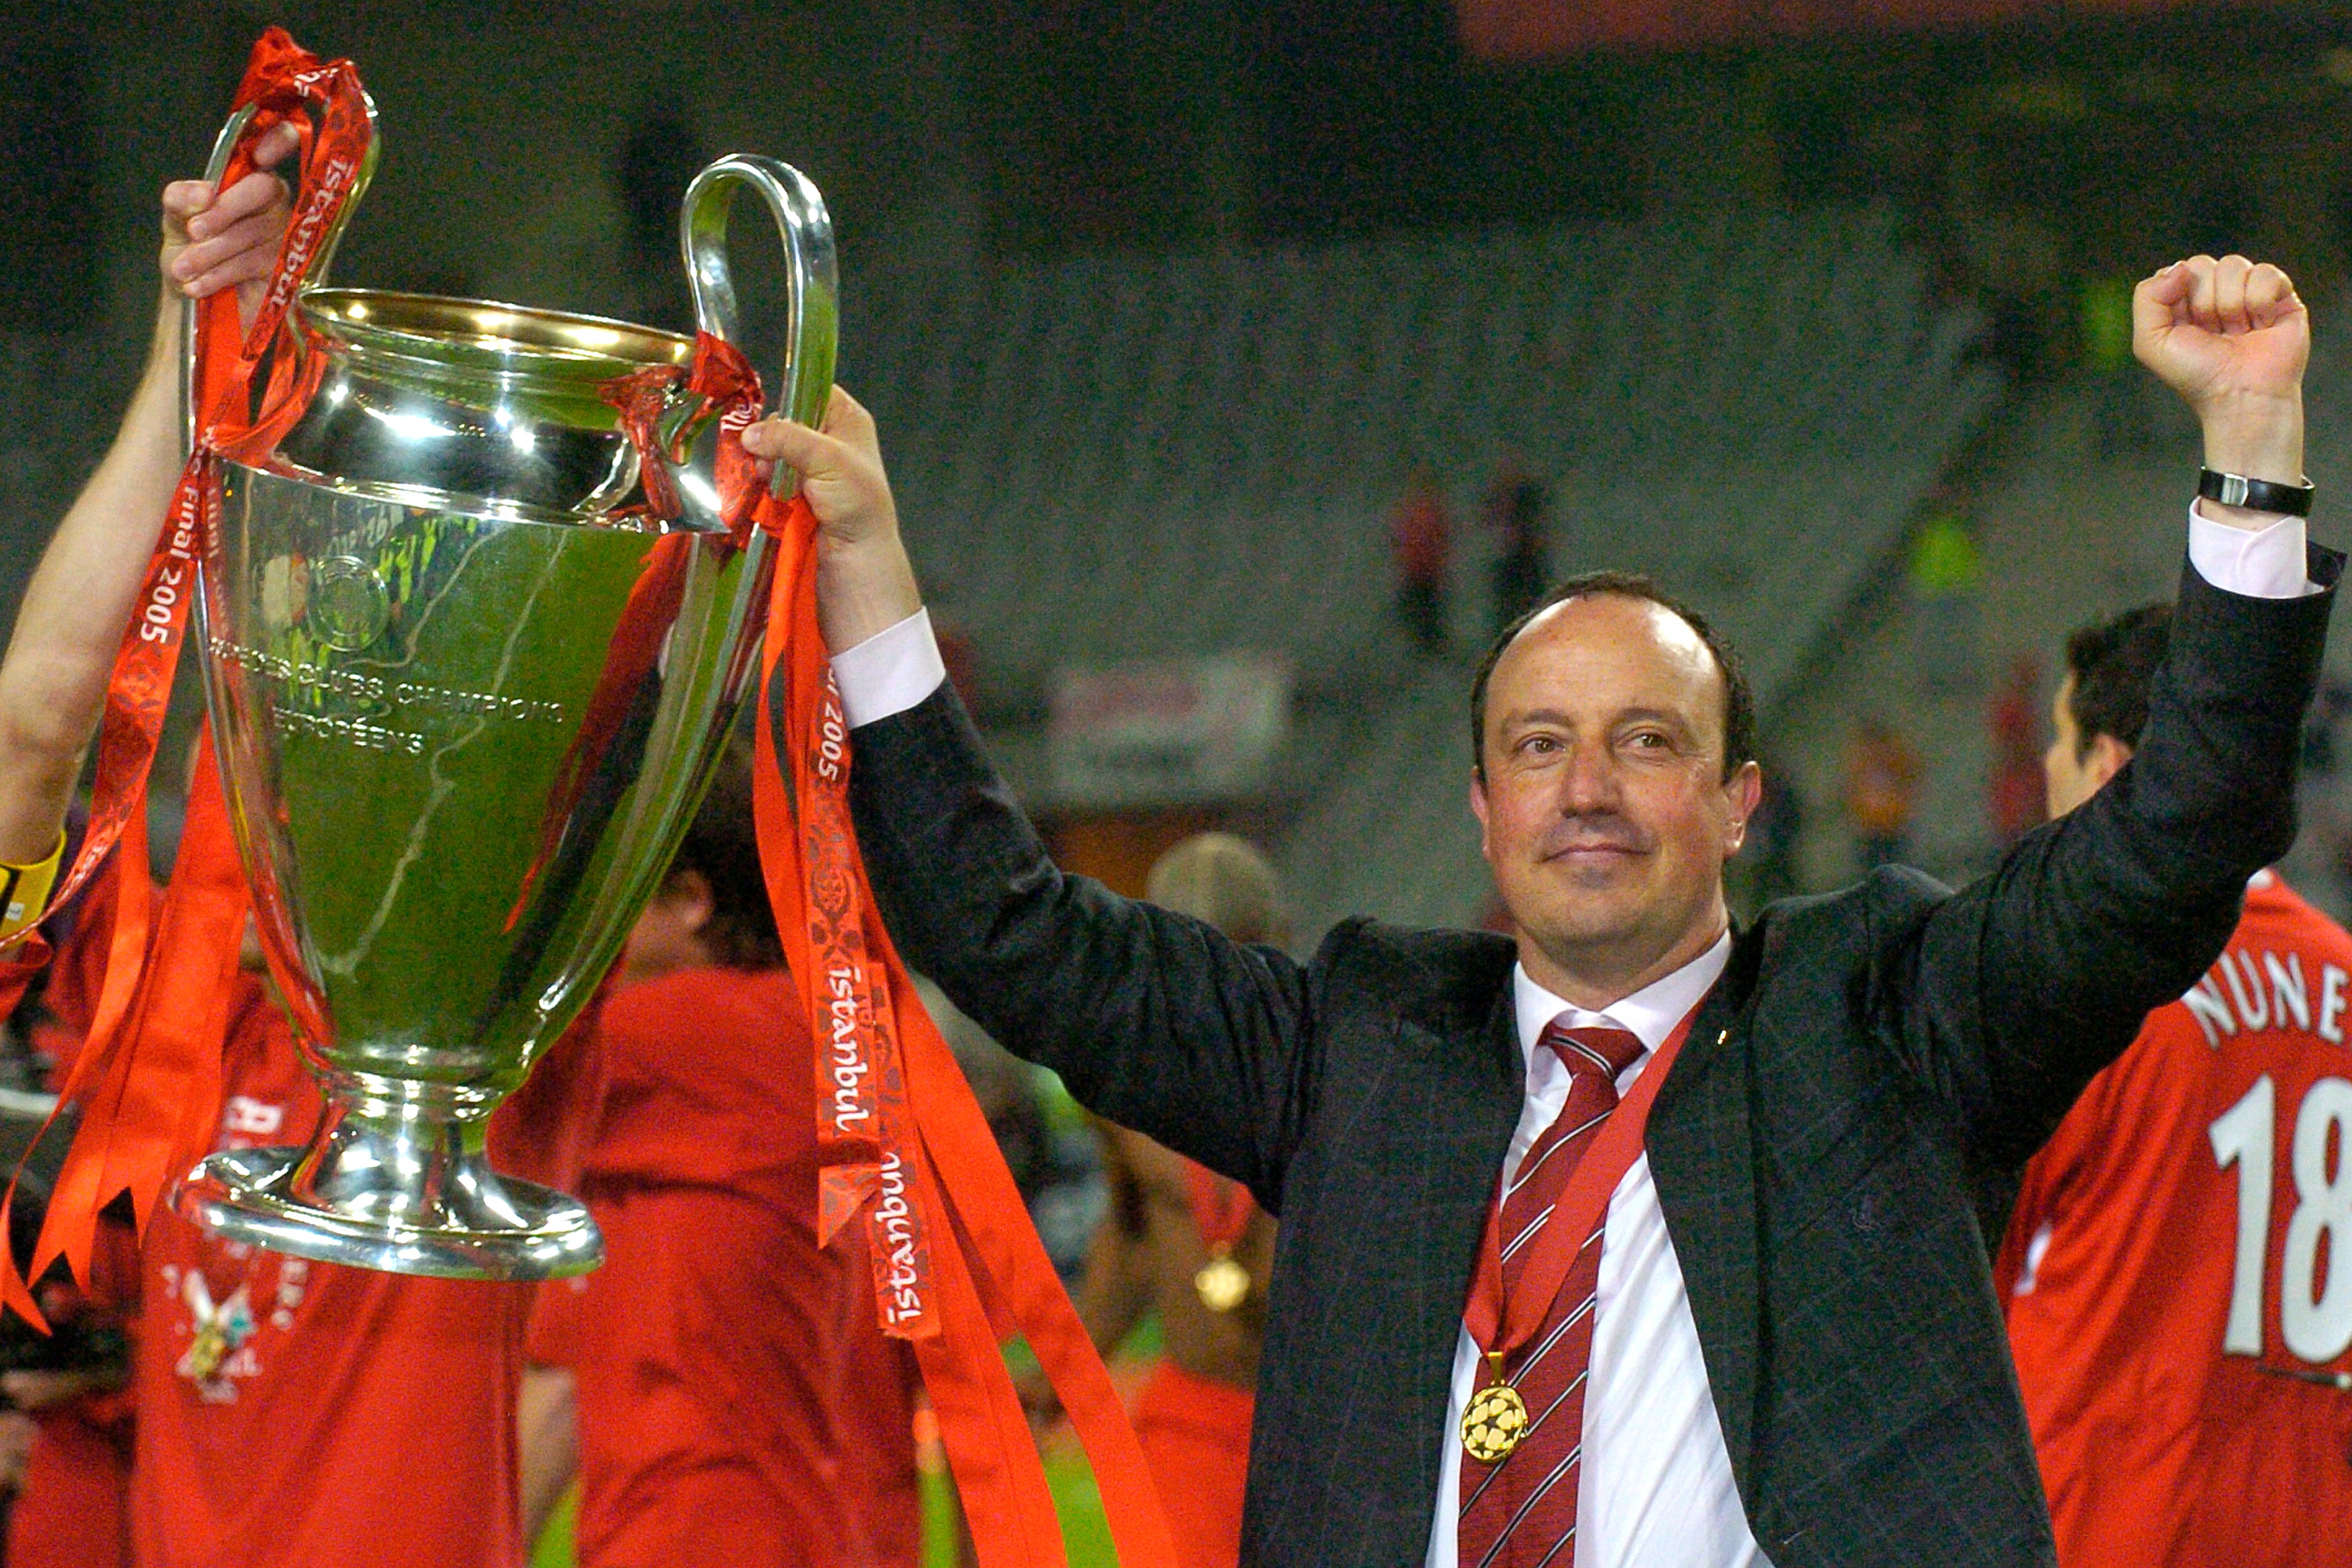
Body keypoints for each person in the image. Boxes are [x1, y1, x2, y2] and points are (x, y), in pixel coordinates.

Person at [742, 247, 2332, 1568]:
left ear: (1738, 801)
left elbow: (2178, 835)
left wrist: (2251, 438)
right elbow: (1006, 926)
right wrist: (873, 558)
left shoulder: (1886, 1012)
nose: (1587, 787)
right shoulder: (1355, 1042)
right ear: (1481, 813)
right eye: (1539, 745)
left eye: (1648, 742)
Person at [1996, 603, 2352, 1565]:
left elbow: (1956, 1294)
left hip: (2106, 1521)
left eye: (2060, 761)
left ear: (2112, 769)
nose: (2046, 790)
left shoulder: (2089, 985)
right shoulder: (2345, 977)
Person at [520, 742, 922, 1568]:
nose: (583, 933)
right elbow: (558, 1388)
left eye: (611, 894)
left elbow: (485, 1062)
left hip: (731, 1538)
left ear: (693, 900)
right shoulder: (649, 1153)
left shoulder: (735, 1028)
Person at [1073, 833, 1283, 1568]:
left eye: (1227, 951)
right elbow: (1130, 1241)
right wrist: (1067, 1367)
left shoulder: (1335, 1079)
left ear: (1276, 945)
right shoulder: (1123, 1094)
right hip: (1188, 1419)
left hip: (1307, 1426)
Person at [1391, 469, 1452, 657]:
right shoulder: (1426, 513)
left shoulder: (1421, 513)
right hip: (1422, 569)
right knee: (1424, 608)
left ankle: (1425, 644)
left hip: (1424, 570)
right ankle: (1424, 643)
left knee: (1425, 608)